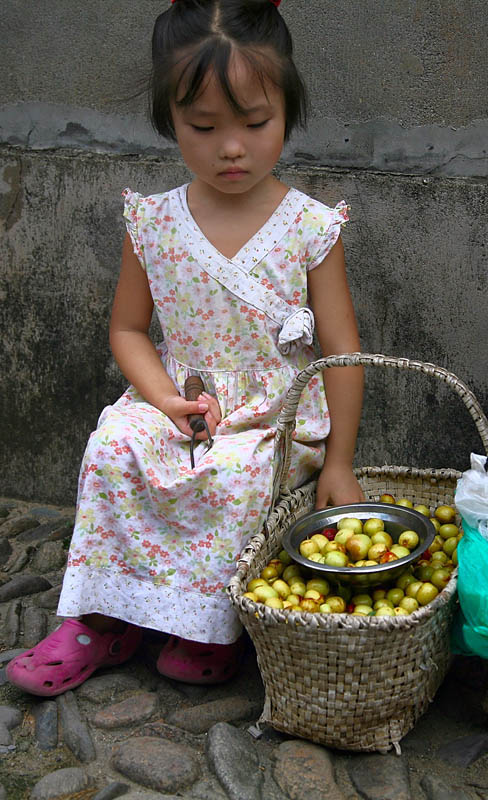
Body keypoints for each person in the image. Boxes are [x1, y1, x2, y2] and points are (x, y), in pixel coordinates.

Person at [7, 0, 364, 696]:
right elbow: (128, 330)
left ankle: (202, 624)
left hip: (272, 415)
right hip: (176, 397)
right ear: (169, 120)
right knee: (114, 447)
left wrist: (341, 462)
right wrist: (161, 397)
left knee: (234, 472)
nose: (231, 147)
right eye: (203, 127)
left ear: (288, 111)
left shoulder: (312, 229)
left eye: (255, 123)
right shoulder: (154, 222)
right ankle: (101, 616)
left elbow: (342, 351)